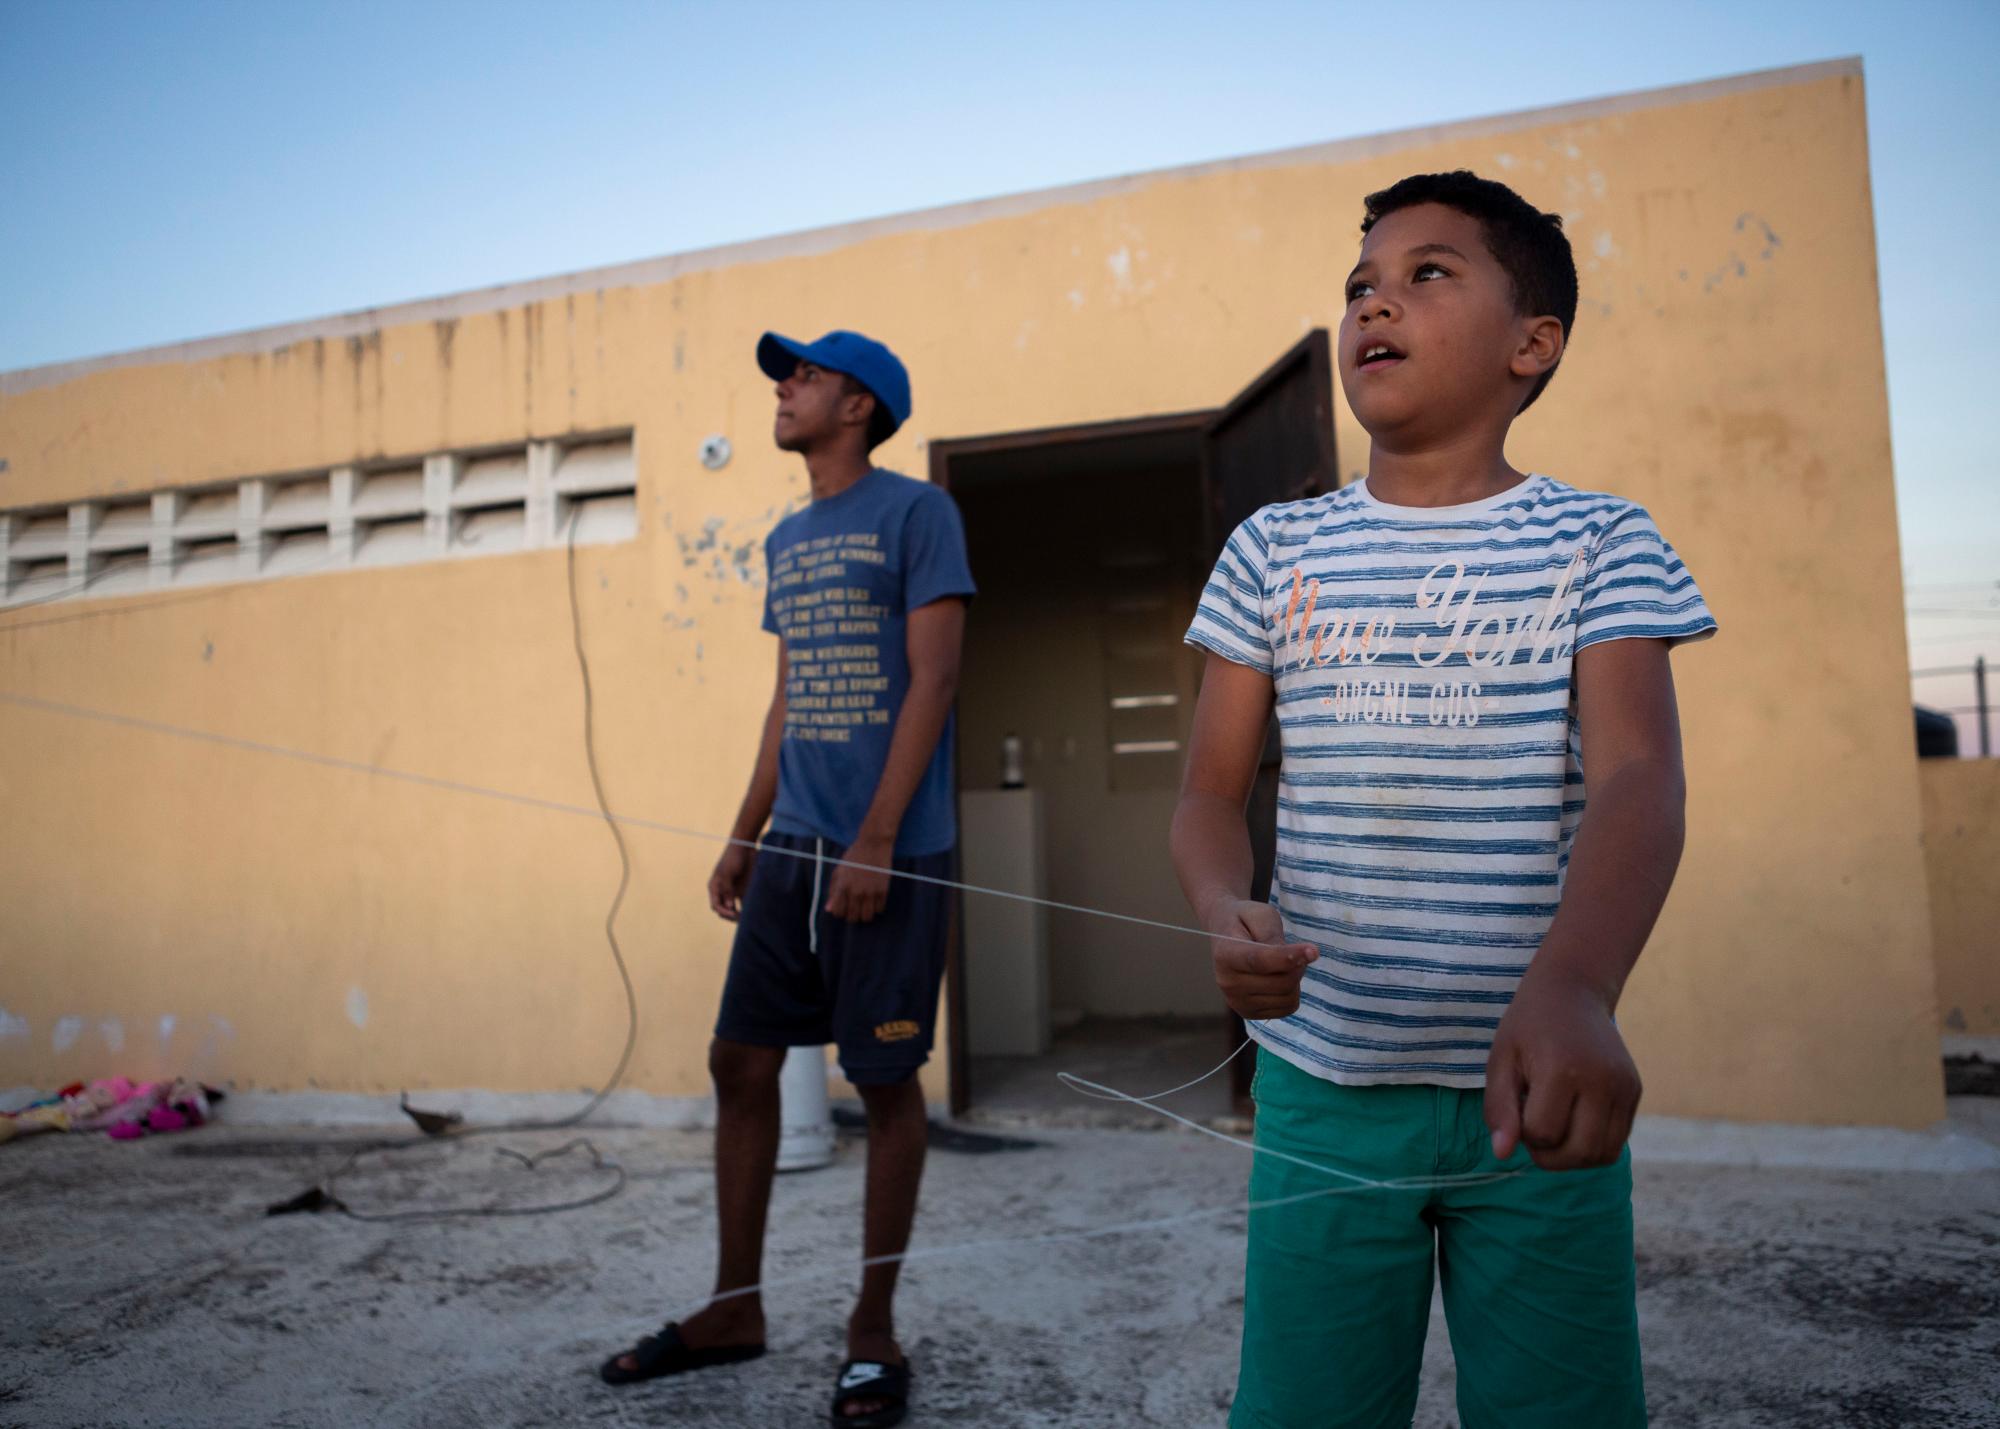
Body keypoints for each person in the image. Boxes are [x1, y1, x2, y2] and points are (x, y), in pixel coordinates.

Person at [1174, 171, 1716, 1427]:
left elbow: (1639, 777)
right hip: (1320, 1084)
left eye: (1426, 273)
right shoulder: (1273, 550)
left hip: (1533, 1087)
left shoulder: (1599, 542)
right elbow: (1207, 789)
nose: (1374, 302)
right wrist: (1218, 903)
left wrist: (1577, 986)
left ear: (1532, 344)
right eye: (1358, 283)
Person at [602, 329, 974, 1428]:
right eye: (784, 373)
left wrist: (875, 837)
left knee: (884, 1080)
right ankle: (734, 1306)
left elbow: (935, 678)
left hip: (891, 847)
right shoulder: (787, 536)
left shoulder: (918, 514)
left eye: (804, 373)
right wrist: (744, 831)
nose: (783, 385)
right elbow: (790, 695)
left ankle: (872, 1327)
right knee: (740, 1060)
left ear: (859, 405)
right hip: (794, 844)